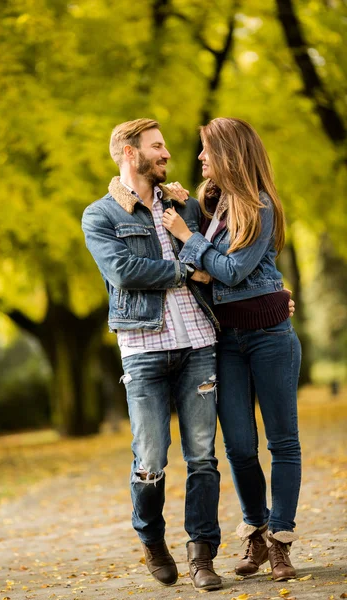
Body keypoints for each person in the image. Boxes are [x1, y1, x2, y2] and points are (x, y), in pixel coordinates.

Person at [81, 118, 223, 591]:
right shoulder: (100, 215)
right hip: (142, 349)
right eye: (156, 147)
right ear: (128, 151)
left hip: (198, 342)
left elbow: (213, 256)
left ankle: (202, 555)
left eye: (164, 146)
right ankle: (152, 539)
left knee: (202, 455)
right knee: (151, 457)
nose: (166, 154)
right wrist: (183, 272)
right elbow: (123, 271)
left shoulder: (184, 205)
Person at [162, 117, 302, 583]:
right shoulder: (210, 202)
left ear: (228, 154)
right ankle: (256, 534)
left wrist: (189, 239)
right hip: (226, 339)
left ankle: (281, 540)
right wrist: (200, 248)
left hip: (270, 336)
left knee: (281, 441)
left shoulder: (260, 205)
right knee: (240, 445)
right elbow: (204, 268)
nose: (200, 159)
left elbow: (233, 270)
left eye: (205, 150)